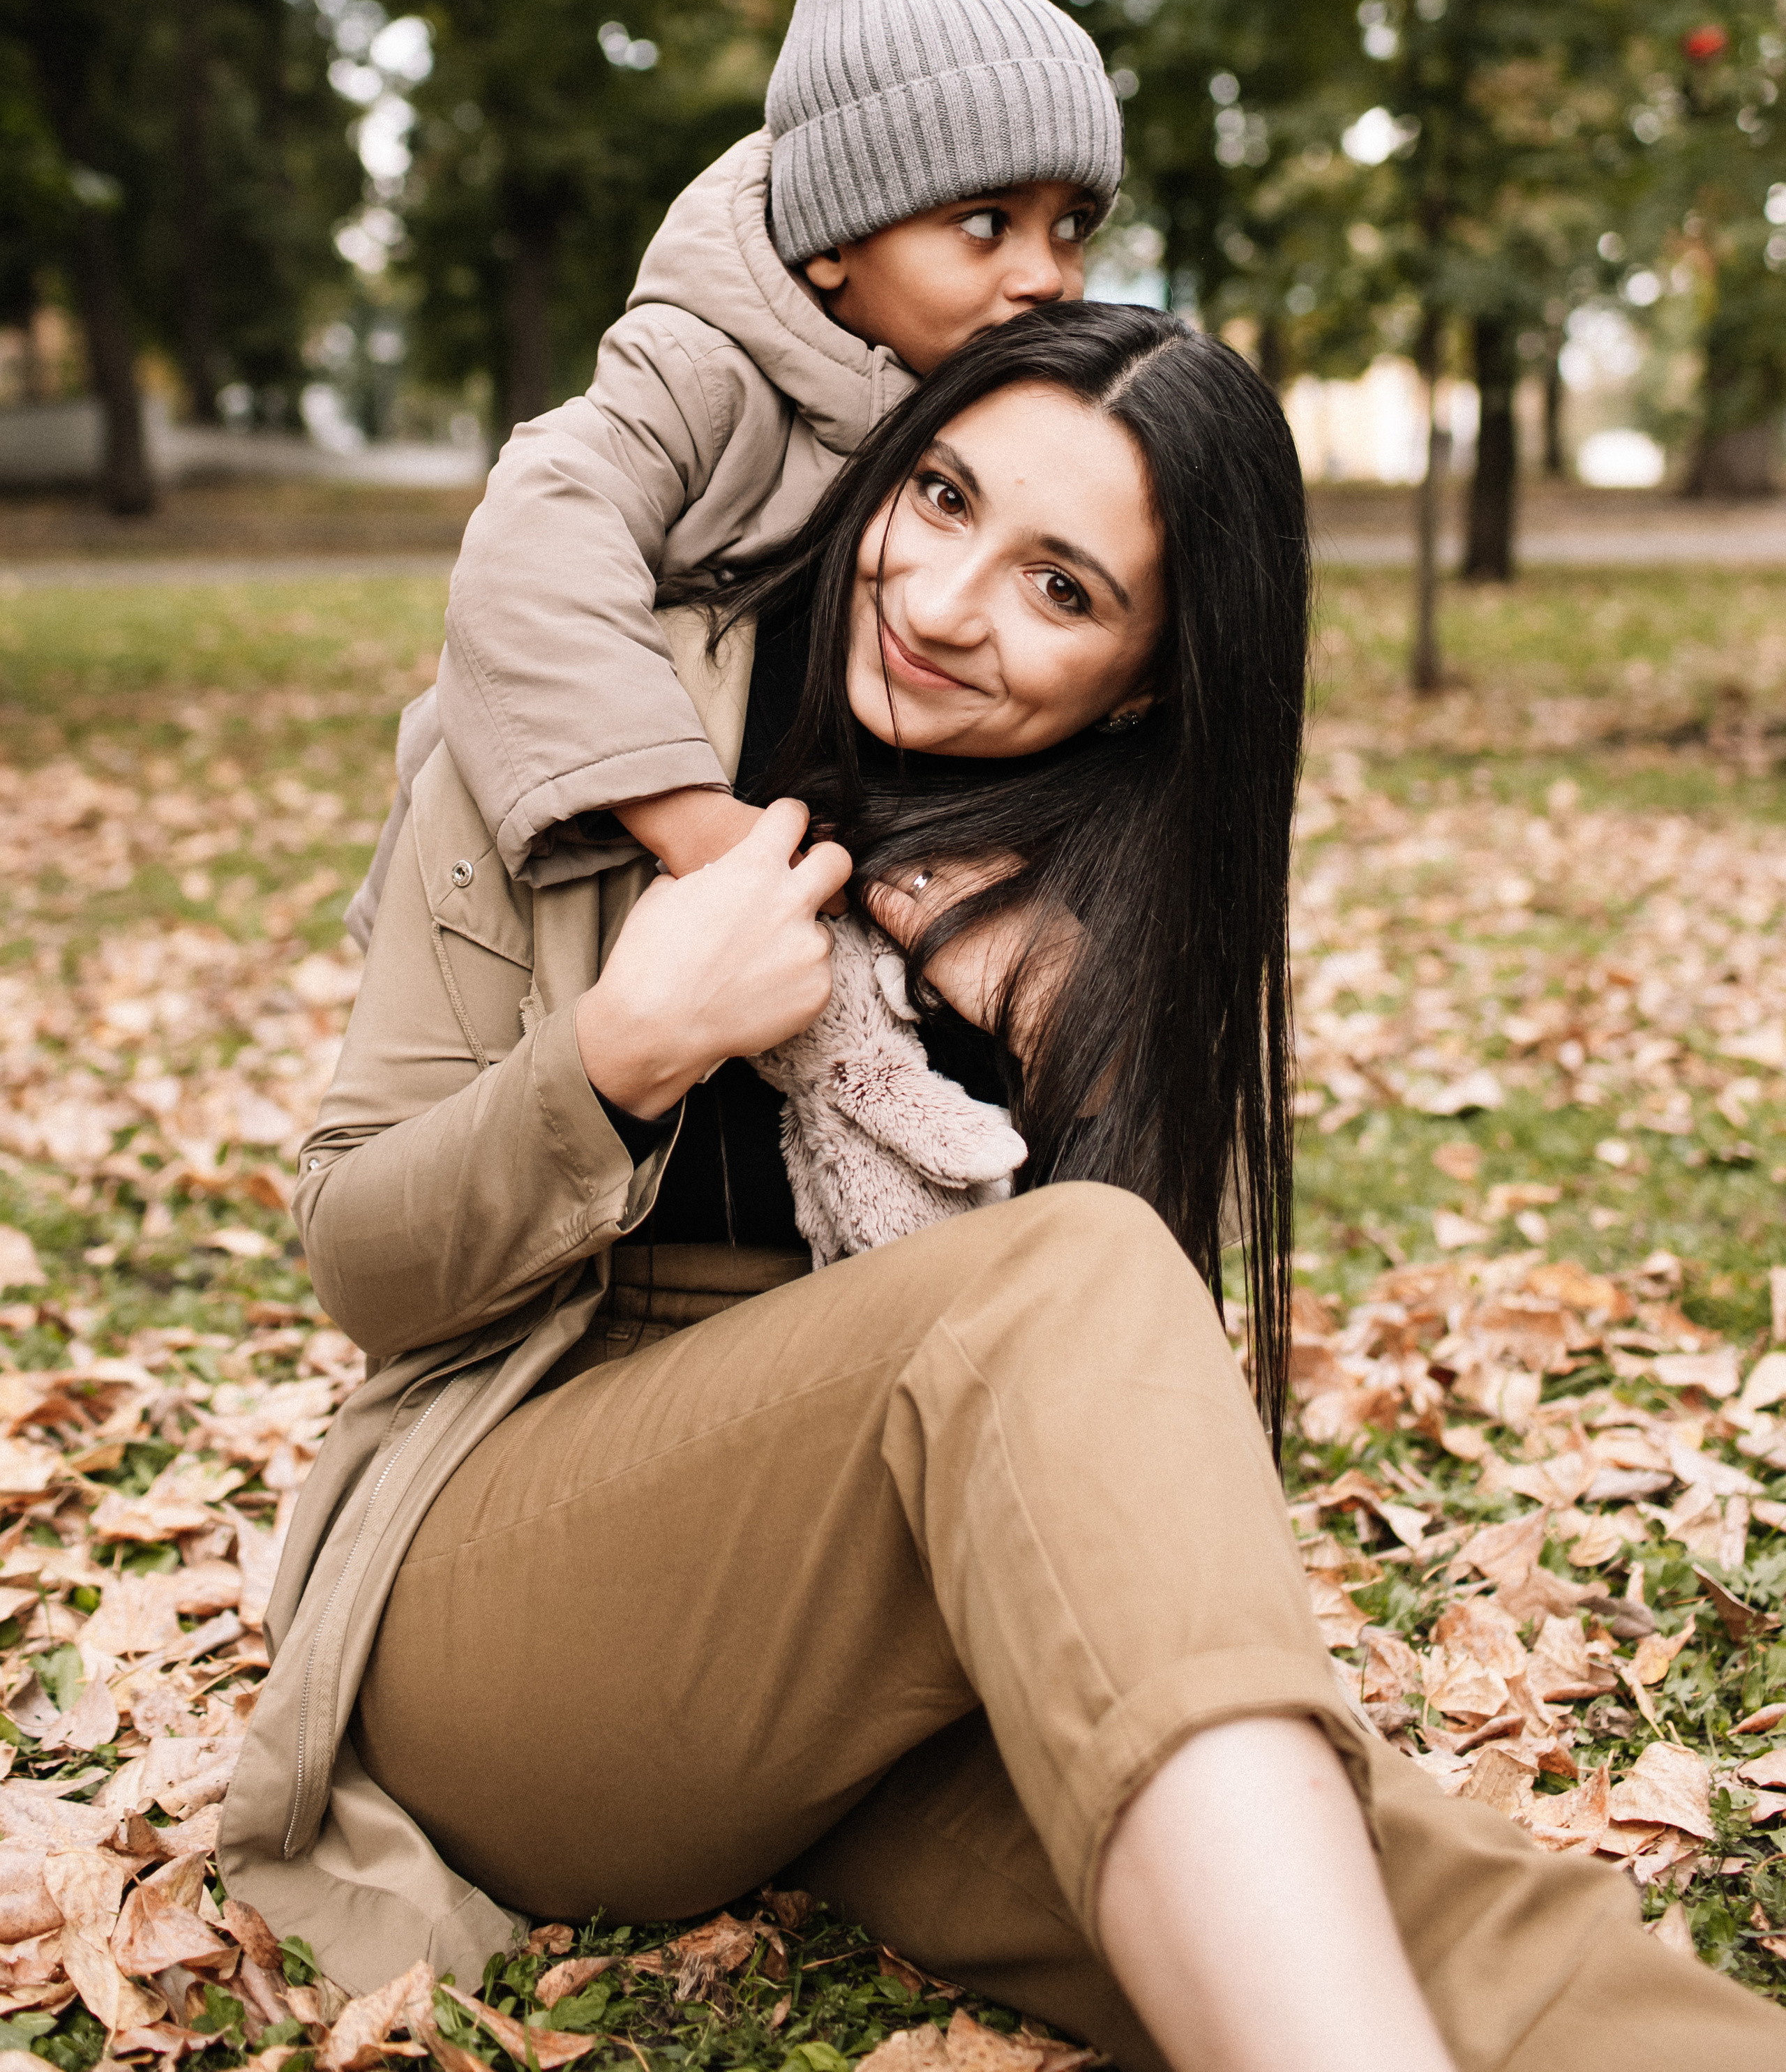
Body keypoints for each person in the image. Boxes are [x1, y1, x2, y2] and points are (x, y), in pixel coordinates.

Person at [220, 310, 1786, 2072]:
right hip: (496, 1589)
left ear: (1146, 680)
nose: (944, 599)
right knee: (1072, 1273)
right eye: (943, 496)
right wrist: (618, 1053)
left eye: (1060, 589)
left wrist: (1073, 1054)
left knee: (1395, 1885)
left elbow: (1089, 1465)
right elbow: (362, 1266)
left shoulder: (1106, 909)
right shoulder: (593, 721)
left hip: (867, 1647)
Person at [343, 0, 1123, 949]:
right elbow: (533, 542)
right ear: (832, 242)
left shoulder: (981, 406)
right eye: (987, 222)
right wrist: (691, 821)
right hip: (525, 904)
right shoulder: (702, 367)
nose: (1046, 274)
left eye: (1072, 225)